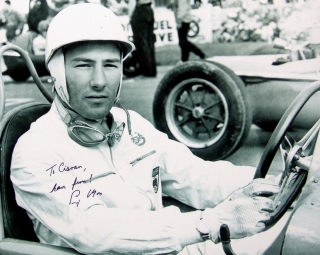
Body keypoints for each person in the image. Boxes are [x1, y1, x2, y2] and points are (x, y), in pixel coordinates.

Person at [10, 3, 279, 254]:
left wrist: (275, 182)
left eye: (111, 65)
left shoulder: (130, 124)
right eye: (84, 65)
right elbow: (95, 229)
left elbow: (195, 175)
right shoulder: (36, 150)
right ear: (57, 71)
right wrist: (209, 223)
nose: (100, 81)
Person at [130, 0, 157, 77]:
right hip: (149, 8)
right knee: (149, 42)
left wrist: (131, 15)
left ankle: (146, 71)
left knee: (141, 42)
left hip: (140, 9)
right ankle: (152, 70)